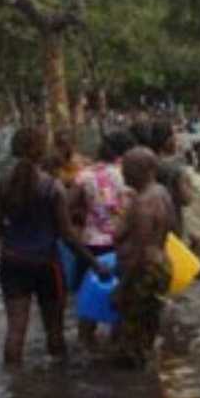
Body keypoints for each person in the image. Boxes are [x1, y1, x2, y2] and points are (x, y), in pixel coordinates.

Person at [0, 127, 108, 364]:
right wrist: (95, 264)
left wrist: (18, 234)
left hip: (12, 262)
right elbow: (67, 236)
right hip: (46, 264)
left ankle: (15, 391)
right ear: (40, 151)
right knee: (54, 332)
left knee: (15, 332)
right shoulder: (52, 187)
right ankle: (57, 392)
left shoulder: (2, 184)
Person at [113, 147, 176, 367]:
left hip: (142, 272)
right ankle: (148, 385)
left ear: (145, 170)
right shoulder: (162, 192)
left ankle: (133, 390)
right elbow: (171, 229)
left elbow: (139, 251)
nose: (123, 174)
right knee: (148, 326)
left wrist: (122, 288)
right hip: (161, 265)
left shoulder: (142, 205)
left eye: (127, 169)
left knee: (130, 336)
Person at [73, 130, 135, 347]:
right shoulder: (127, 174)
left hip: (90, 246)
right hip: (121, 245)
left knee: (88, 301)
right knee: (122, 299)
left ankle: (85, 343)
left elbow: (72, 210)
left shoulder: (83, 175)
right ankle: (115, 344)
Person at [149, 120, 193, 240]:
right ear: (166, 139)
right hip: (172, 225)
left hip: (150, 224)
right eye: (174, 136)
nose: (176, 139)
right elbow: (186, 199)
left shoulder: (147, 161)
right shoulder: (175, 166)